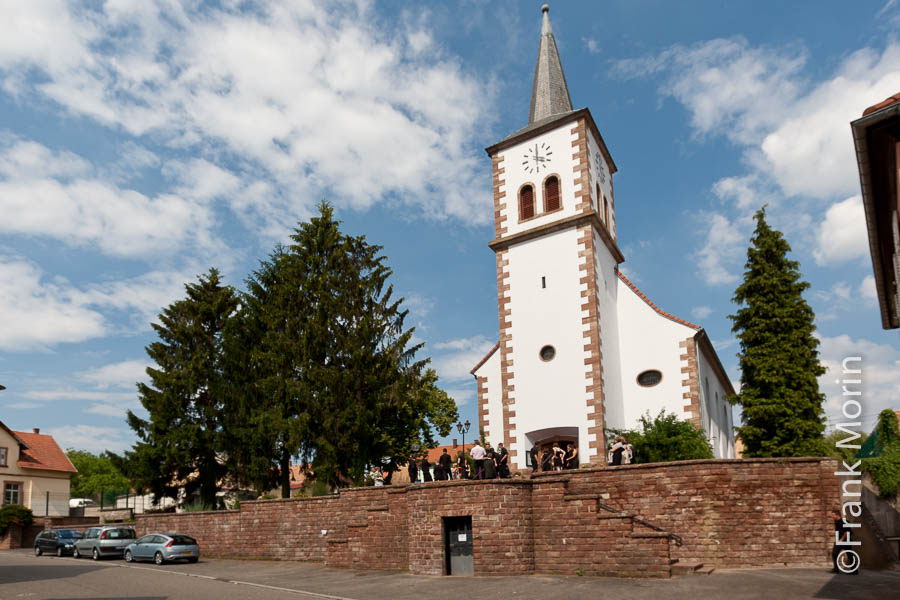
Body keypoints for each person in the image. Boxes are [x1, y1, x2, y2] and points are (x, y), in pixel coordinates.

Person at [831, 508, 859, 574]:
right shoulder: (836, 521)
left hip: (846, 541)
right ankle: (836, 569)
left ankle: (854, 571)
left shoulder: (845, 521)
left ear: (837, 515)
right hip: (839, 541)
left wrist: (841, 539)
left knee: (850, 555)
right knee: (834, 553)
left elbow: (847, 531)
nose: (832, 516)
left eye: (833, 515)